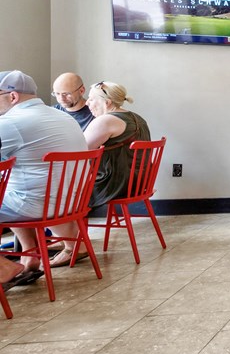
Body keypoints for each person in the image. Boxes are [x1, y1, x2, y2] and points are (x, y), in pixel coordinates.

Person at [0, 70, 88, 286]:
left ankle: (4, 267)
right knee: (16, 188)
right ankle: (30, 258)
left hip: (38, 205)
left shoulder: (10, 122)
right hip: (72, 204)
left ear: (13, 96)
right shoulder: (64, 117)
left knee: (13, 193)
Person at [84, 81, 151, 213]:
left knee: (62, 190)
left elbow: (79, 149)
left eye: (91, 99)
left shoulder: (105, 121)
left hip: (114, 184)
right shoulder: (138, 118)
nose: (87, 103)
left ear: (107, 102)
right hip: (139, 183)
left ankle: (67, 230)